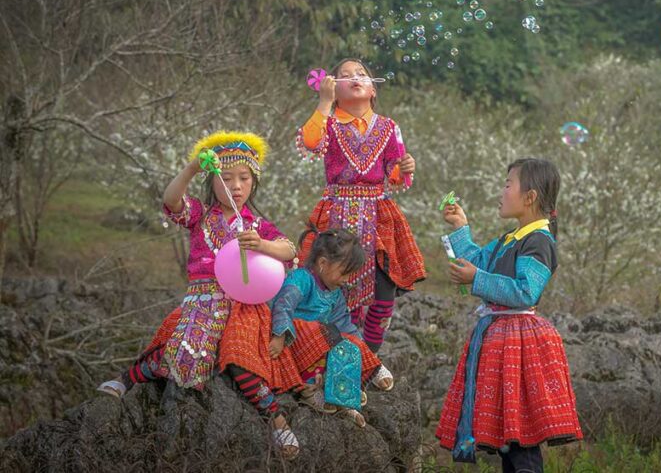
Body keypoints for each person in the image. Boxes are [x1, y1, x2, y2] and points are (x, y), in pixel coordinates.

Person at [98, 132, 303, 458]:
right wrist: (192, 167)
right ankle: (125, 380)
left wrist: (263, 245)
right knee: (180, 347)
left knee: (241, 359)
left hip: (244, 306)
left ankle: (277, 421)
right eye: (226, 178)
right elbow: (171, 200)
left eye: (244, 178)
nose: (235, 186)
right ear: (212, 181)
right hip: (201, 300)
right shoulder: (200, 215)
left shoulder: (258, 225)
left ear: (254, 181)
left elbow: (289, 250)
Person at [436, 158, 583, 473]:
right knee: (509, 442)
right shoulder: (509, 240)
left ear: (529, 197)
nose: (501, 193)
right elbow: (477, 260)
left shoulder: (539, 241)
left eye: (507, 185)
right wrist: (461, 228)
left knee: (521, 442)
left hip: (521, 347)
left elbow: (526, 291)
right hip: (501, 343)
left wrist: (476, 279)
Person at [296, 58, 425, 352]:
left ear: (373, 90)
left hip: (378, 217)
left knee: (383, 295)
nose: (355, 77)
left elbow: (395, 176)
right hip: (336, 215)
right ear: (333, 87)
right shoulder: (327, 122)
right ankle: (339, 359)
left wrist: (405, 168)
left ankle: (368, 358)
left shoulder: (389, 127)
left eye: (361, 74)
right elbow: (311, 142)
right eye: (345, 75)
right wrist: (324, 102)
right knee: (334, 291)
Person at [270, 227, 394, 427]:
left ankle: (346, 400)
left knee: (346, 340)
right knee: (324, 331)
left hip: (320, 345)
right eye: (344, 273)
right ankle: (308, 391)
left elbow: (345, 324)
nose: (347, 280)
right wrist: (279, 335)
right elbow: (283, 305)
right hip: (293, 342)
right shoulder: (301, 279)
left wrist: (359, 347)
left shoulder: (335, 293)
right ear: (322, 264)